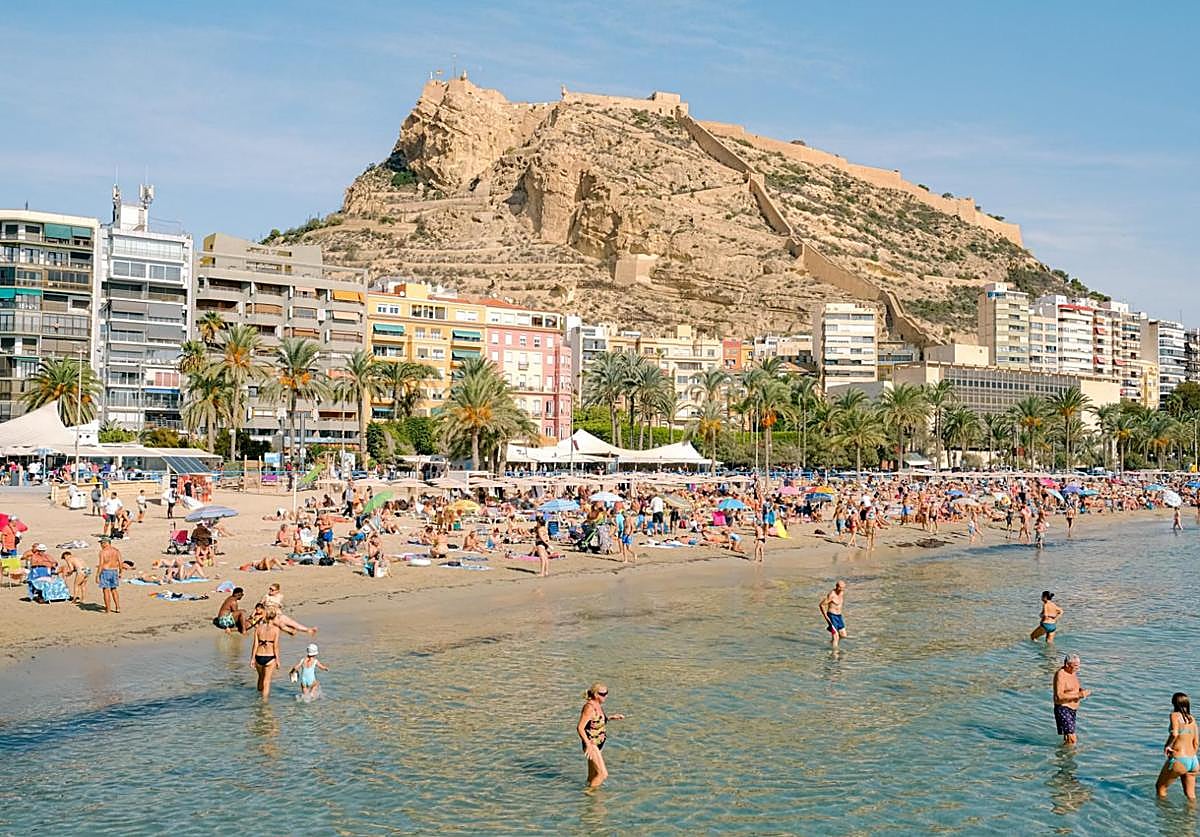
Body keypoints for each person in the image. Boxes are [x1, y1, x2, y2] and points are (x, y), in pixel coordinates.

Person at [577, 683, 624, 789]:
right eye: (603, 694)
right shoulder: (589, 708)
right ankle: (590, 797)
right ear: (595, 694)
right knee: (603, 774)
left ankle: (587, 797)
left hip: (599, 744)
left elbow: (595, 721)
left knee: (592, 776)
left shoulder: (598, 705)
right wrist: (588, 745)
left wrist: (611, 718)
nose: (605, 696)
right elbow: (580, 727)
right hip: (592, 744)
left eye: (606, 693)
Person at [1156, 692, 1199, 801]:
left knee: (1160, 788)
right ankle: (1191, 817)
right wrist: (1191, 756)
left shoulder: (1174, 715)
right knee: (1191, 796)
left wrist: (1167, 745)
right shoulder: (1192, 719)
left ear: (1173, 703)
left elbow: (1174, 733)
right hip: (1193, 761)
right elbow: (1196, 742)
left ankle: (1165, 817)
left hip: (1179, 759)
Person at [1052, 653, 1091, 745]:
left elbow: (1073, 688)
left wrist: (1081, 690)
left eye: (1079, 665)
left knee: (1068, 739)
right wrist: (1079, 695)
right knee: (1072, 738)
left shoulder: (1072, 672)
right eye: (1076, 666)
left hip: (1072, 709)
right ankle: (1069, 757)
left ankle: (1063, 757)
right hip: (1063, 708)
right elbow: (1059, 696)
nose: (1078, 668)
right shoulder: (1060, 675)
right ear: (1067, 664)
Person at [251, 607, 282, 701]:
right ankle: (264, 703)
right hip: (270, 656)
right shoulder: (276, 630)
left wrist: (252, 658)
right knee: (267, 681)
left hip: (258, 656)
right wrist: (277, 660)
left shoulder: (258, 628)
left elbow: (255, 644)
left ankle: (257, 697)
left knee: (260, 678)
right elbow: (275, 646)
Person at [96, 536, 123, 614]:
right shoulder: (116, 551)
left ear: (105, 543)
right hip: (114, 571)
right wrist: (120, 572)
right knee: (114, 589)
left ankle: (108, 609)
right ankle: (118, 607)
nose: (101, 545)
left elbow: (101, 564)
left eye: (101, 543)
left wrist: (97, 575)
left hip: (106, 571)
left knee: (106, 590)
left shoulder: (103, 552)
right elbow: (120, 562)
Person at [819, 580, 848, 647]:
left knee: (843, 635)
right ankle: (834, 654)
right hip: (832, 616)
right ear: (837, 587)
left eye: (843, 588)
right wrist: (826, 618)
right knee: (836, 636)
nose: (842, 589)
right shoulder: (831, 595)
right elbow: (821, 605)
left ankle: (831, 643)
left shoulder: (842, 592)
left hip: (839, 616)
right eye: (840, 588)